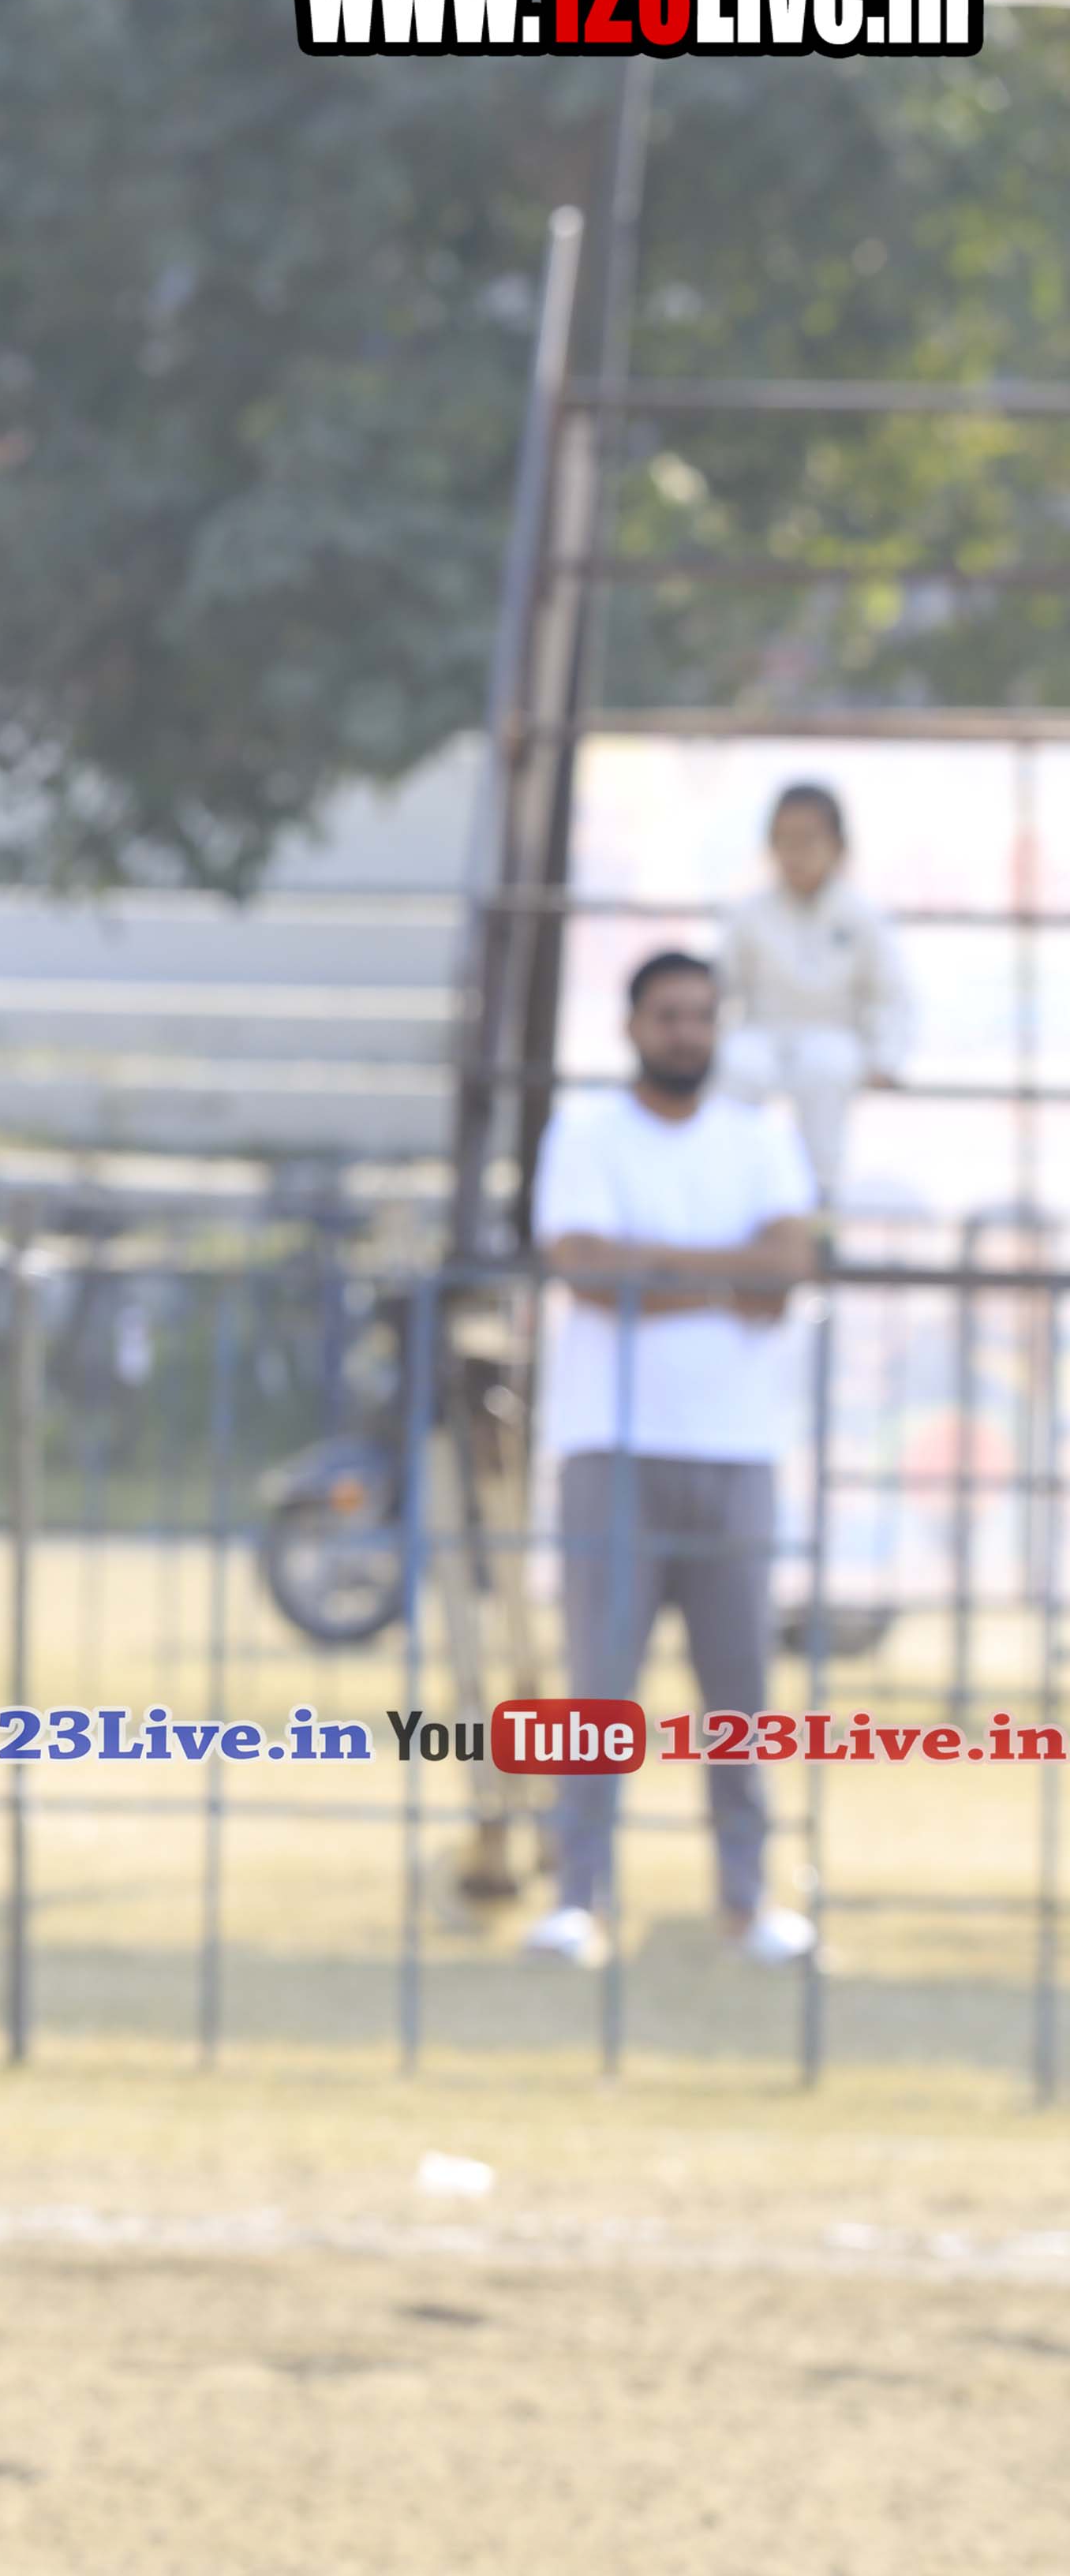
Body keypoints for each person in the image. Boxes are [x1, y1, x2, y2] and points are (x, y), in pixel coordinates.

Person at [529, 947, 821, 1970]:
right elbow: (585, 1271)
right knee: (599, 1686)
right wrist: (730, 1279)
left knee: (740, 1691)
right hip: (611, 1444)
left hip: (737, 1447)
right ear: (632, 1026)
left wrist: (655, 1265)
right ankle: (577, 1898)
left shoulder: (761, 1138)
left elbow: (789, 1266)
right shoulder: (585, 1131)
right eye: (668, 1015)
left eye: (701, 1015)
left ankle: (747, 1899)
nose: (686, 1033)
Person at [709, 780, 913, 1203]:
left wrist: (886, 1059)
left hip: (833, 1035)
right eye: (784, 840)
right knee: (735, 1066)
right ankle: (730, 1190)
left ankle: (819, 1202)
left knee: (827, 1069)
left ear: (838, 846)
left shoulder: (861, 914)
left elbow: (892, 994)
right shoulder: (750, 912)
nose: (796, 853)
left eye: (808, 839)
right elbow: (719, 985)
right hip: (761, 1033)